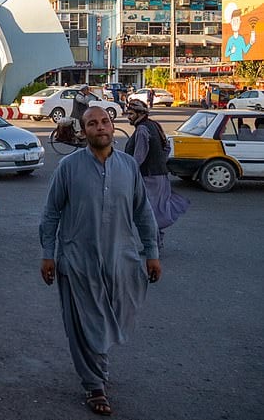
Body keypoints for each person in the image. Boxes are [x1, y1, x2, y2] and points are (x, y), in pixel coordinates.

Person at [40, 106, 161, 417]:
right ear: (84, 131)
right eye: (92, 123)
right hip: (78, 261)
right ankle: (95, 384)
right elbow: (52, 213)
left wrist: (152, 253)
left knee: (111, 319)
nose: (100, 127)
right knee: (84, 324)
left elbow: (143, 212)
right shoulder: (68, 167)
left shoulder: (128, 167)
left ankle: (97, 368)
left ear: (112, 125)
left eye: (104, 121)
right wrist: (48, 254)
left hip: (121, 261)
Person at [125, 99, 189, 248]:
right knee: (155, 210)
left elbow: (139, 156)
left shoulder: (142, 130)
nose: (128, 117)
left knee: (149, 212)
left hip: (149, 177)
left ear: (140, 114)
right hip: (159, 175)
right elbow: (167, 147)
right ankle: (156, 243)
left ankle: (153, 247)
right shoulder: (154, 125)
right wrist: (160, 162)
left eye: (131, 114)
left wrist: (129, 173)